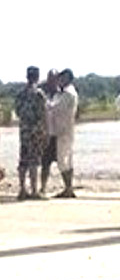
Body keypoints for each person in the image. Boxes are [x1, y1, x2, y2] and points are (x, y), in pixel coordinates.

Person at [14, 66, 48, 201]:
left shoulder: (20, 94)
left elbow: (17, 112)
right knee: (34, 160)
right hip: (35, 131)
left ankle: (22, 189)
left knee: (23, 159)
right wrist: (45, 131)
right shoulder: (39, 94)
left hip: (24, 131)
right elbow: (43, 114)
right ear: (37, 77)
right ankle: (34, 190)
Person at [47, 69, 79, 199]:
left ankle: (68, 188)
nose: (59, 80)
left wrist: (46, 101)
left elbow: (54, 108)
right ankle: (69, 187)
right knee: (68, 160)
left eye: (62, 78)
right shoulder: (67, 93)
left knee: (62, 161)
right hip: (66, 129)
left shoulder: (67, 94)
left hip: (63, 131)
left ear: (67, 79)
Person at [39, 69, 61, 197]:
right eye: (50, 78)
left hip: (59, 134)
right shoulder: (42, 94)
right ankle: (43, 187)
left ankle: (67, 187)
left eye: (54, 78)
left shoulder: (63, 94)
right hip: (46, 134)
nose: (51, 81)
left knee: (63, 162)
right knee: (45, 163)